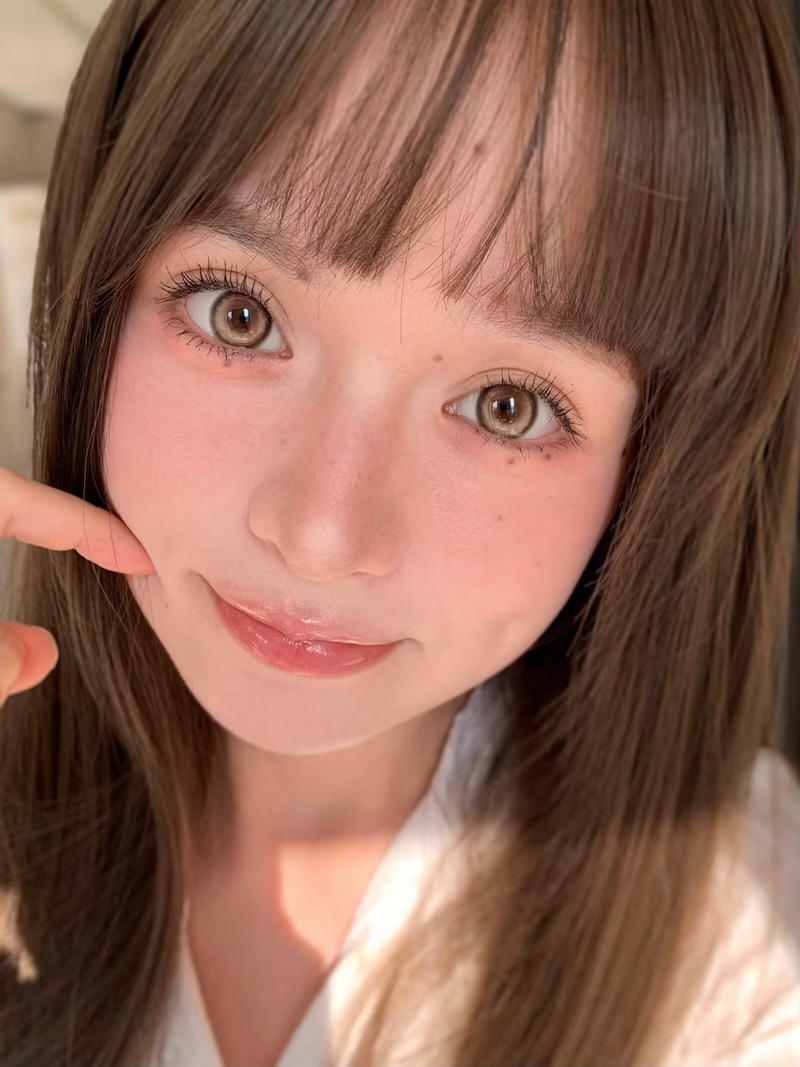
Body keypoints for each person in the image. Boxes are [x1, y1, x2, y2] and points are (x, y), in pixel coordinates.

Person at [0, 0, 799, 1063]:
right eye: (238, 313)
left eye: (509, 405)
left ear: (658, 468)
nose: (321, 535)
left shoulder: (747, 956)